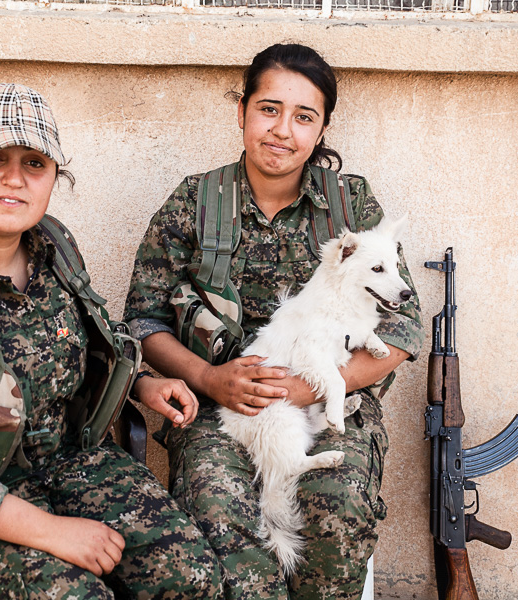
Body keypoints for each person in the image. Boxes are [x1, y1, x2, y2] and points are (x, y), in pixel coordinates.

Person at [0, 83, 222, 600]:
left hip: (66, 460)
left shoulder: (54, 245)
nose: (14, 179)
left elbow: (92, 343)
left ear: (55, 176)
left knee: (190, 578)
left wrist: (141, 382)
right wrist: (54, 533)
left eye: (34, 163)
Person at [123, 44, 423, 600]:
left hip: (328, 409)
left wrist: (313, 384)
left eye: (304, 117)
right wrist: (210, 379)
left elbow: (404, 325)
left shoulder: (349, 203)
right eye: (268, 109)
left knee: (338, 508)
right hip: (220, 413)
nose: (282, 130)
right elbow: (143, 322)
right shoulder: (195, 201)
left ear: (322, 129)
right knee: (218, 520)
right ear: (242, 112)